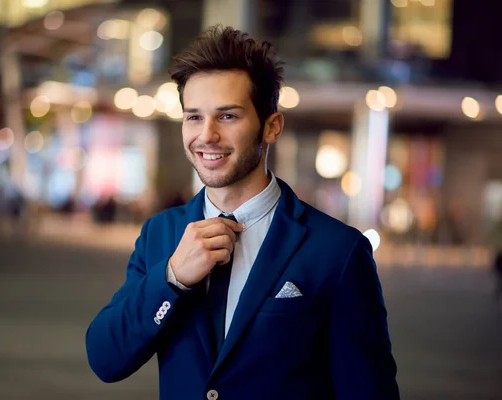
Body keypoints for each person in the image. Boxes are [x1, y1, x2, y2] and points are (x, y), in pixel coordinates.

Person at [86, 26, 399, 399]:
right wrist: (172, 278)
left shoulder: (338, 251)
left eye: (228, 116)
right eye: (194, 117)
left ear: (271, 126)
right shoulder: (160, 234)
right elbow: (106, 358)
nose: (207, 136)